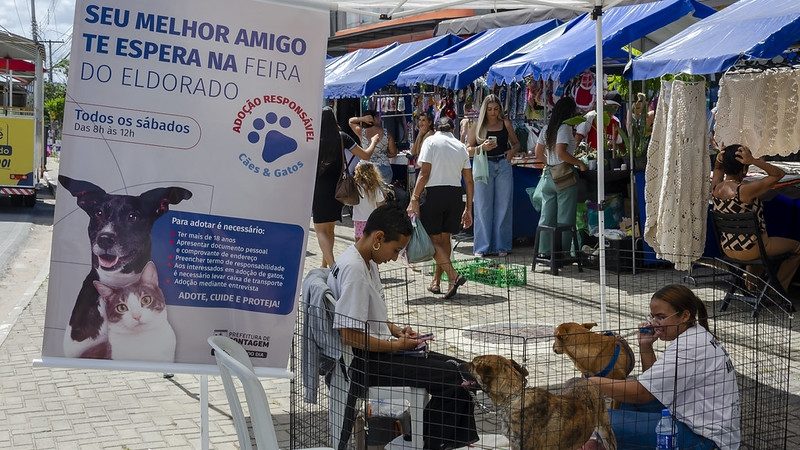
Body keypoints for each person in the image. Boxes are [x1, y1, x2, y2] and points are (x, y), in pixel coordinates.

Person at [328, 205, 479, 450]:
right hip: (367, 363)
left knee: (460, 370)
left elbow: (365, 314)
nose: (396, 257)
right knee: (456, 377)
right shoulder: (355, 270)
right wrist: (395, 345)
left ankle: (424, 439)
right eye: (396, 249)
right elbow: (348, 333)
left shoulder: (364, 261)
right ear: (378, 238)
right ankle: (429, 442)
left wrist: (396, 331)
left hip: (377, 352)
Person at [585, 284, 741, 450]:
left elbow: (642, 393)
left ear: (684, 316)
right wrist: (646, 346)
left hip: (706, 440)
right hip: (696, 423)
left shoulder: (689, 346)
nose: (654, 323)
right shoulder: (695, 333)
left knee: (594, 421)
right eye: (652, 317)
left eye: (660, 317)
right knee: (625, 403)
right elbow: (653, 385)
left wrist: (591, 382)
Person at [711, 144, 800, 292]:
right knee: (797, 248)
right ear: (744, 169)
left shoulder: (716, 188)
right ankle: (775, 291)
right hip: (753, 249)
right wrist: (753, 160)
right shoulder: (744, 191)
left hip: (727, 248)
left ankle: (751, 286)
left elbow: (718, 169)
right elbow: (778, 174)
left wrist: (720, 160)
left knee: (755, 240)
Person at [408, 117, 474, 299]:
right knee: (445, 240)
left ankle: (453, 275)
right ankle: (437, 282)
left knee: (433, 241)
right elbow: (469, 180)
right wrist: (468, 208)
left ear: (436, 128)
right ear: (452, 128)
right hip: (454, 195)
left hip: (434, 194)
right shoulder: (460, 146)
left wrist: (414, 197)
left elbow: (424, 173)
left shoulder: (430, 141)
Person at [313, 107, 380, 268]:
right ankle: (325, 266)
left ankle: (333, 267)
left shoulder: (313, 139)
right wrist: (373, 142)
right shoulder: (342, 137)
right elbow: (365, 155)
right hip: (338, 189)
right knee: (330, 230)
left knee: (320, 231)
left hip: (318, 189)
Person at [466, 94, 521, 257]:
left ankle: (502, 245)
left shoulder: (505, 123)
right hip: (484, 165)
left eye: (496, 109)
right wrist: (482, 147)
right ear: (484, 110)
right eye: (489, 109)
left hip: (503, 163)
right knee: (483, 206)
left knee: (503, 205)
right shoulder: (477, 126)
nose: (493, 112)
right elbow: (468, 149)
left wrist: (511, 152)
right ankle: (482, 247)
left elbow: (517, 143)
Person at [533, 97, 587, 259]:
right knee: (565, 217)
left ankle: (544, 250)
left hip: (548, 175)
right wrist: (579, 163)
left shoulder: (547, 128)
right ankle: (562, 253)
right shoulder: (564, 128)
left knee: (547, 216)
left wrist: (549, 164)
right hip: (563, 177)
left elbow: (538, 153)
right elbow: (561, 153)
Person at [348, 109, 398, 184]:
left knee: (367, 194)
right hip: (383, 168)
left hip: (366, 169)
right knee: (383, 194)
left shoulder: (361, 132)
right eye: (378, 117)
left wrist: (362, 119)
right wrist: (383, 154)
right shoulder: (387, 134)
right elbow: (393, 153)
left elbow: (351, 121)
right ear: (374, 118)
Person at [352, 162, 385, 240]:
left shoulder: (355, 186)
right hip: (372, 219)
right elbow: (381, 203)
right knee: (371, 239)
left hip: (359, 218)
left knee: (359, 239)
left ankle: (359, 252)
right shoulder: (375, 188)